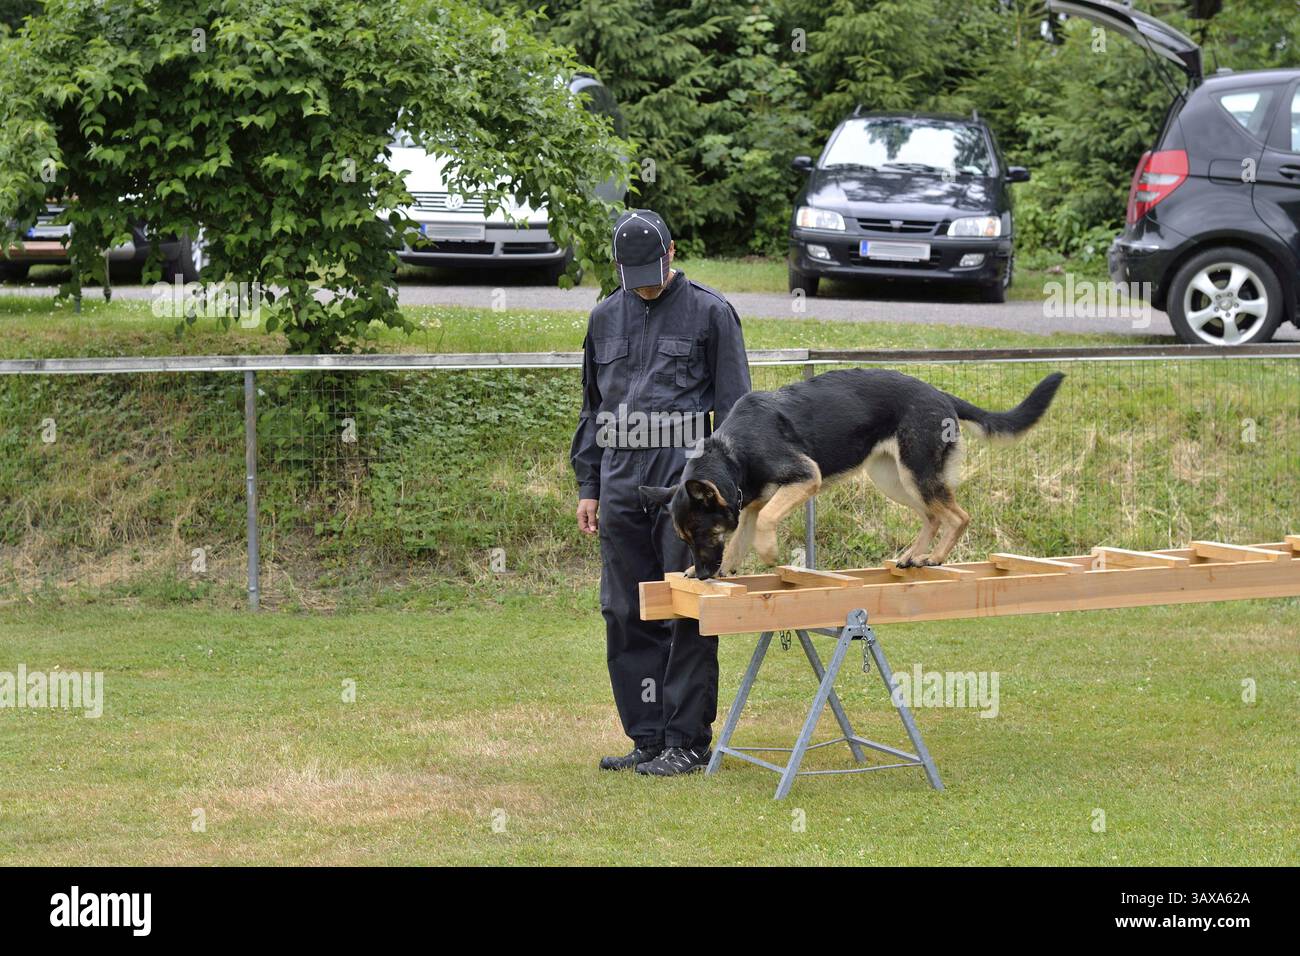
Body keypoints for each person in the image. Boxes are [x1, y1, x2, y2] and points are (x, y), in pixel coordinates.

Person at [571, 209, 751, 776]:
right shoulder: (604, 317)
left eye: (652, 269)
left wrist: (724, 496)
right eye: (634, 273)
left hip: (686, 486)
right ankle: (647, 736)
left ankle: (688, 740)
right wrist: (589, 486)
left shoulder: (711, 313)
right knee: (626, 610)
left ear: (671, 253)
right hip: (621, 481)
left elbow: (738, 414)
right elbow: (593, 409)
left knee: (687, 609)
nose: (645, 281)